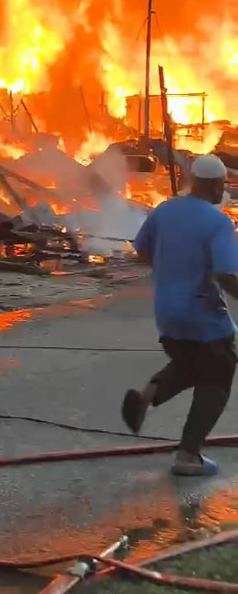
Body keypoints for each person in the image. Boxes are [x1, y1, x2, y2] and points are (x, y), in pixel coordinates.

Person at [122, 153, 238, 476]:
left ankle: (146, 395)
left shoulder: (165, 210)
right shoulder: (218, 222)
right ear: (215, 186)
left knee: (190, 364)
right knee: (219, 372)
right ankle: (188, 455)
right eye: (222, 185)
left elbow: (141, 250)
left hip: (167, 313)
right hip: (202, 313)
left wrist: (171, 271)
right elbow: (227, 274)